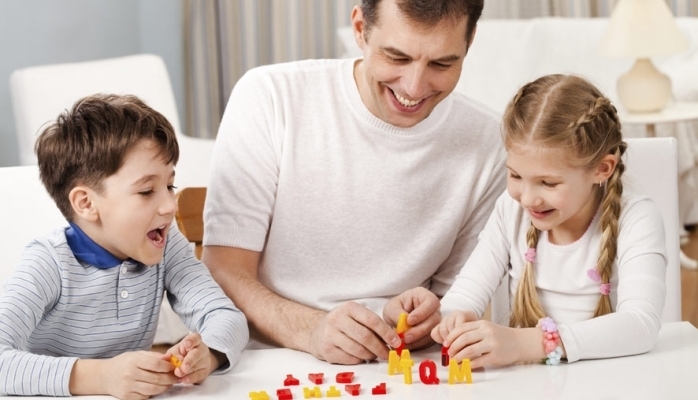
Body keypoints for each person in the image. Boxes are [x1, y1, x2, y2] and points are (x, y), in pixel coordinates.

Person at [202, 0, 507, 365]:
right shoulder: (270, 96)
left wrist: (424, 321)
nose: (414, 87)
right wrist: (311, 330)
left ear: (469, 41)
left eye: (442, 63)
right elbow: (223, 271)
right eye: (396, 57)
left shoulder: (490, 144)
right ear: (361, 29)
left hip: (406, 372)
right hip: (275, 365)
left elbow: (455, 304)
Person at [0, 94, 249, 398]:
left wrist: (207, 354)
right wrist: (100, 377)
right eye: (146, 191)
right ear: (86, 203)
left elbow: (226, 316)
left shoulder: (167, 245)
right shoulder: (48, 263)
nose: (170, 205)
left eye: (169, 185)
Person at [430, 74, 667, 368]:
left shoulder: (636, 217)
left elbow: (640, 325)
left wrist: (526, 344)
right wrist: (453, 317)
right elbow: (465, 295)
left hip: (610, 379)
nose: (528, 199)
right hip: (529, 383)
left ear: (602, 169)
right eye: (515, 175)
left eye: (548, 183)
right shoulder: (510, 210)